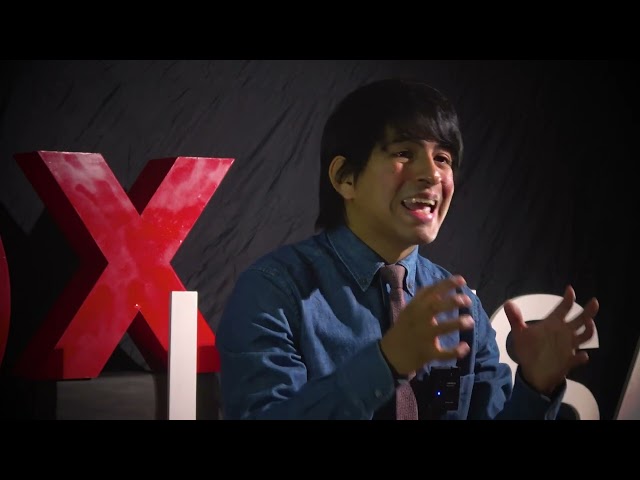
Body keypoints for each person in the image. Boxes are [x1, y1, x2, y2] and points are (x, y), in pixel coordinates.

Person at [215, 78, 599, 420]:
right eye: (403, 153)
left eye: (443, 158)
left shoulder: (461, 306)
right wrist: (386, 364)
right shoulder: (273, 292)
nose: (431, 174)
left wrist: (535, 388)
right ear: (345, 178)